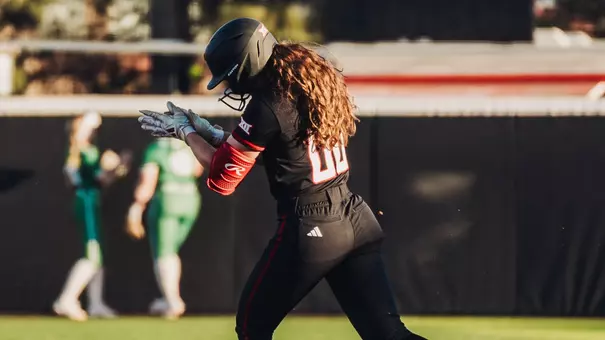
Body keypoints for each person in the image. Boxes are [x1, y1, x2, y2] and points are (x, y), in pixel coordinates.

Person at [138, 18, 427, 340]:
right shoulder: (311, 85)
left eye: (230, 77)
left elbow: (223, 179)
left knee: (252, 327)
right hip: (356, 218)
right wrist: (213, 134)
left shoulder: (268, 104)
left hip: (313, 224)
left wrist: (186, 131)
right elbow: (281, 151)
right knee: (388, 334)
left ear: (247, 65)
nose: (230, 87)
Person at [54, 111, 132, 321]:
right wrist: (114, 167)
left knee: (97, 255)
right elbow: (78, 177)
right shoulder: (78, 151)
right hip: (85, 201)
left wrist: (119, 167)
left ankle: (96, 303)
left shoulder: (90, 150)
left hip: (92, 200)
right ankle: (66, 299)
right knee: (92, 255)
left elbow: (103, 180)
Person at [126, 137, 204, 319]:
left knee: (164, 252)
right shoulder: (188, 147)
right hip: (190, 199)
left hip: (167, 200)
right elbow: (198, 169)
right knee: (171, 252)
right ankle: (167, 298)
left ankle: (172, 301)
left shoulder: (156, 149)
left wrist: (136, 208)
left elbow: (148, 182)